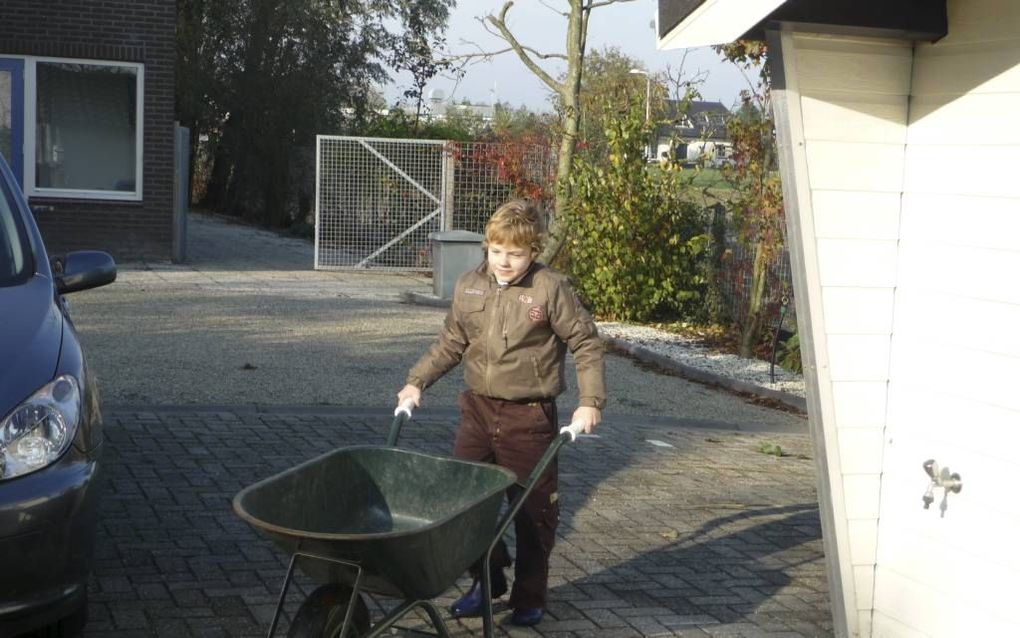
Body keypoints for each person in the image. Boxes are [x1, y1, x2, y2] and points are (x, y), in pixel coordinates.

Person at [396, 199, 606, 627]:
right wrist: (416, 381)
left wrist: (589, 403)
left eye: (515, 253)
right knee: (464, 507)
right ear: (486, 248)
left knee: (532, 514)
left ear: (533, 251)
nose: (504, 262)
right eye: (496, 251)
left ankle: (530, 595)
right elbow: (452, 342)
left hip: (527, 419)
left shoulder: (551, 288)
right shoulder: (470, 285)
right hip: (477, 411)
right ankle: (487, 581)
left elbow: (586, 343)